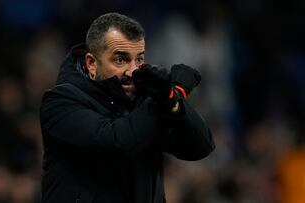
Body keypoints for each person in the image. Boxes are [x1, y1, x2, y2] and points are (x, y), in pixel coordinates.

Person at [39, 12, 215, 203]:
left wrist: (173, 102)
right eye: (120, 59)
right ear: (91, 63)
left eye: (139, 59)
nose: (132, 71)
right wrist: (166, 97)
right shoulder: (60, 102)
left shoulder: (144, 99)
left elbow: (200, 147)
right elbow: (117, 141)